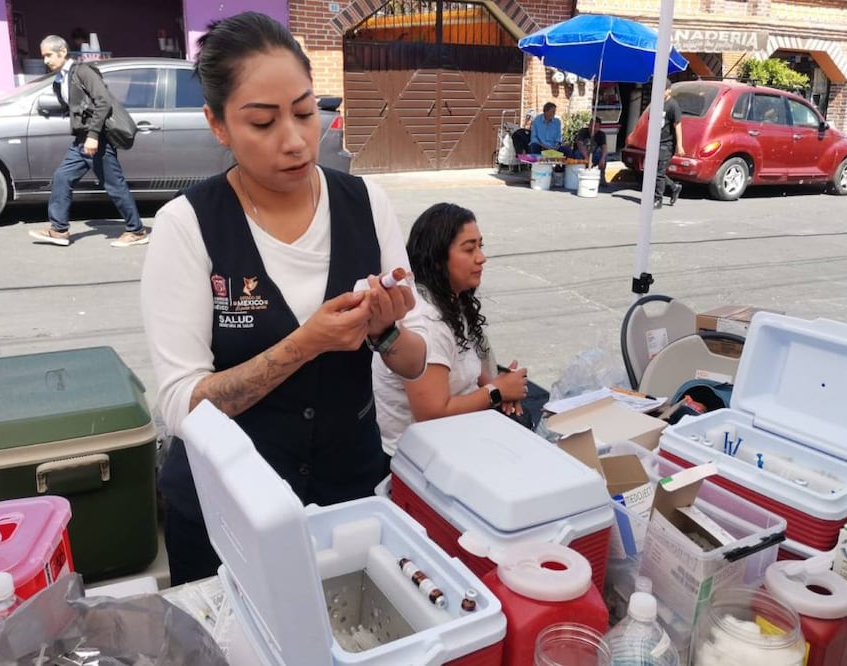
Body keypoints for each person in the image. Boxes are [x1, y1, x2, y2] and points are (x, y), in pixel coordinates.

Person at [140, 11, 428, 585]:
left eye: (304, 111)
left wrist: (385, 332)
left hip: (348, 492)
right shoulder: (187, 226)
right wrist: (305, 344)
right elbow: (182, 407)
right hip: (228, 512)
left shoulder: (366, 202)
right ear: (218, 125)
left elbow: (415, 361)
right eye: (263, 122)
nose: (295, 140)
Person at [372, 203, 528, 456]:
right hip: (419, 458)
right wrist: (497, 392)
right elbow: (432, 414)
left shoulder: (453, 300)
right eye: (469, 249)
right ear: (437, 261)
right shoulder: (425, 320)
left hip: (459, 434)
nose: (481, 257)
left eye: (480, 245)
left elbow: (479, 373)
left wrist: (504, 387)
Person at [29, 36, 148, 247]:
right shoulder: (60, 80)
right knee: (62, 178)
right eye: (44, 56)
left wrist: (93, 136)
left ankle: (136, 231)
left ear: (62, 52)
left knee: (114, 185)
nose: (46, 60)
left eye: (49, 55)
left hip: (97, 138)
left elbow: (103, 102)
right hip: (81, 140)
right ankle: (59, 230)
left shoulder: (83, 71)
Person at [655, 81, 685, 210]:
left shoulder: (673, 106)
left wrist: (680, 145)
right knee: (653, 172)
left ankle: (658, 199)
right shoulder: (657, 104)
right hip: (656, 142)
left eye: (663, 90)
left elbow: (677, 125)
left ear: (669, 91)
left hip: (667, 144)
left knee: (659, 173)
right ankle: (674, 187)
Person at [573, 118, 608, 186]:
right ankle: (580, 176)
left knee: (604, 156)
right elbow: (580, 145)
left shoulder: (601, 134)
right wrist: (587, 158)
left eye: (595, 127)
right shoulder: (583, 131)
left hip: (593, 155)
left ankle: (602, 176)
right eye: (591, 126)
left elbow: (604, 147)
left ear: (599, 127)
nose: (593, 128)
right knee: (577, 154)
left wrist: (603, 158)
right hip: (582, 154)